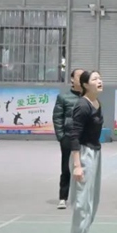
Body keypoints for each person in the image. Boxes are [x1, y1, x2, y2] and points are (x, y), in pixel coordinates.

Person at [67, 70, 104, 233]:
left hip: (95, 152)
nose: (99, 81)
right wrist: (77, 165)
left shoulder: (97, 102)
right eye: (95, 79)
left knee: (93, 199)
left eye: (100, 78)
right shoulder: (82, 105)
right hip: (82, 154)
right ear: (85, 85)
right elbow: (74, 135)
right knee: (82, 201)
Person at [52, 68, 83, 210]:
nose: (82, 78)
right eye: (79, 76)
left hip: (84, 138)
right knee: (66, 168)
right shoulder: (63, 97)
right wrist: (61, 136)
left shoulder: (89, 97)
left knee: (84, 168)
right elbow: (57, 117)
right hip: (68, 137)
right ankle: (63, 197)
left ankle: (81, 197)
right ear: (72, 79)